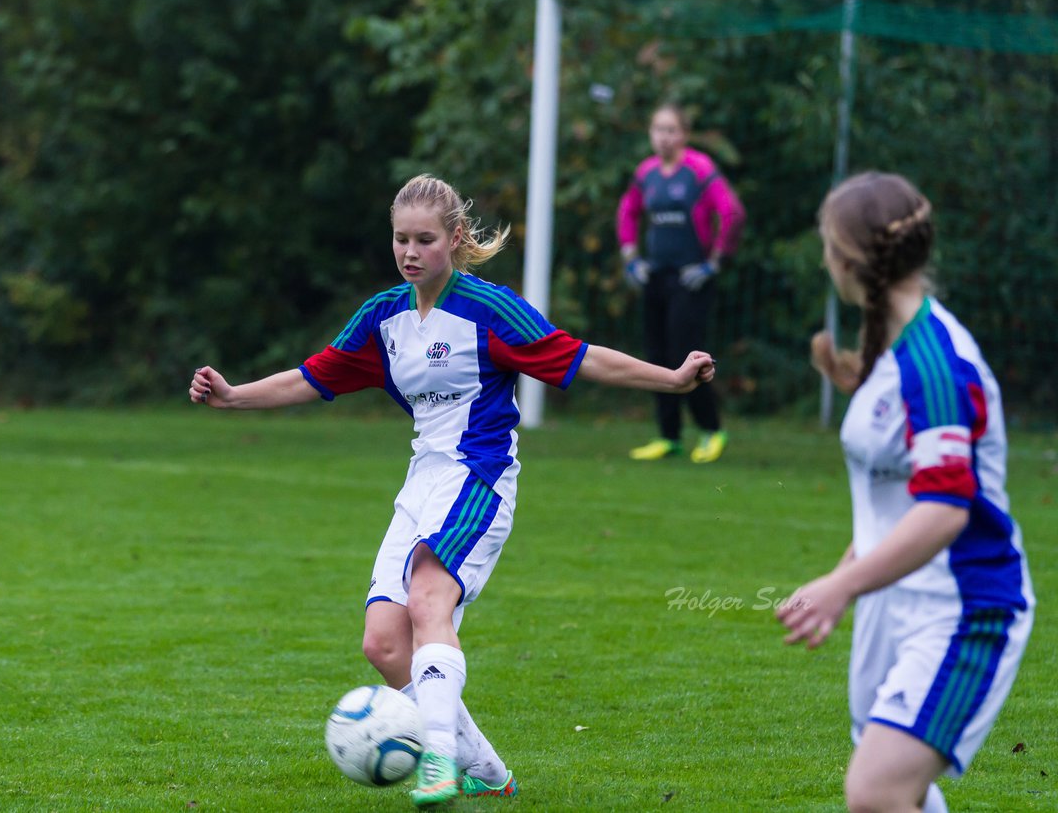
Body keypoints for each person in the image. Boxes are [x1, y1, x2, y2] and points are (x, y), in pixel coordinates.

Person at [189, 174, 716, 807]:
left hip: (481, 475)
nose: (410, 252)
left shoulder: (489, 310)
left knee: (427, 597)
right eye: (400, 239)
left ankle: (435, 759)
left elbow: (580, 358)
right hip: (422, 482)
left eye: (424, 240)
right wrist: (233, 396)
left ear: (455, 239)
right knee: (384, 644)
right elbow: (314, 376)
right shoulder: (384, 317)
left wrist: (674, 380)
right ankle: (486, 770)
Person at [777, 172, 1034, 813]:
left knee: (875, 789)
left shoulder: (937, 365)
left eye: (825, 246)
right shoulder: (895, 354)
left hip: (964, 610)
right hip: (893, 603)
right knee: (897, 792)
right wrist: (848, 579)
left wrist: (842, 586)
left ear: (850, 258)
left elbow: (946, 510)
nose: (821, 261)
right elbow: (891, 504)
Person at [616, 103, 745, 463]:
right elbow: (627, 211)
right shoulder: (646, 173)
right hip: (657, 276)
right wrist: (631, 259)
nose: (664, 137)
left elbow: (732, 212)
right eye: (658, 129)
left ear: (684, 135)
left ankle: (712, 430)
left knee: (686, 353)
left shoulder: (699, 169)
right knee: (657, 357)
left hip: (691, 280)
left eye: (671, 130)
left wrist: (714, 263)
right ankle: (668, 436)